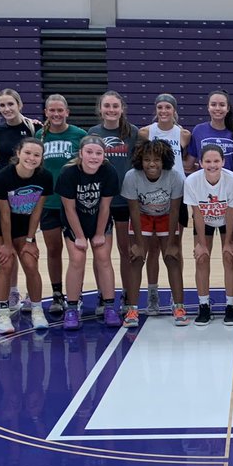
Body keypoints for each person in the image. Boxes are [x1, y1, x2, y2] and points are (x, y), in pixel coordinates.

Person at [0, 136, 54, 335]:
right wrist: (7, 245)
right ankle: (3, 312)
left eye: (36, 155)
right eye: (27, 153)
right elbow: (4, 215)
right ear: (18, 153)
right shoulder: (3, 177)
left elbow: (37, 212)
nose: (31, 158)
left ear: (41, 158)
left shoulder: (45, 177)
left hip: (24, 223)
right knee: (6, 264)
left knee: (31, 263)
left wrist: (31, 240)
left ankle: (37, 309)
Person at [57, 135, 121, 330]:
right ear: (81, 153)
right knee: (77, 259)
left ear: (104, 155)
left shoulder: (108, 171)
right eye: (89, 152)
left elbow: (105, 206)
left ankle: (109, 306)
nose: (94, 157)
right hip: (75, 221)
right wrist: (79, 236)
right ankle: (72, 308)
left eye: (98, 153)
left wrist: (99, 233)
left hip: (98, 220)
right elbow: (69, 209)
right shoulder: (68, 173)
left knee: (103, 257)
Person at [122, 139, 188, 328]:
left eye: (157, 159)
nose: (152, 164)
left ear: (164, 160)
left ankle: (179, 308)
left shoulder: (174, 177)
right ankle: (132, 309)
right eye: (147, 159)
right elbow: (134, 210)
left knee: (172, 258)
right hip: (142, 216)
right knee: (137, 258)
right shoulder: (131, 177)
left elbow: (175, 210)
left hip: (166, 216)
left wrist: (172, 243)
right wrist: (138, 243)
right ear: (139, 160)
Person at [88, 90, 140, 314]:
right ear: (100, 109)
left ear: (122, 109)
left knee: (126, 251)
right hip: (100, 201)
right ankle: (103, 294)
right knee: (101, 251)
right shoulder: (93, 133)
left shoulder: (133, 132)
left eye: (115, 106)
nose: (111, 110)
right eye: (107, 106)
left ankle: (128, 295)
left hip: (126, 201)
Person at [36, 94, 88, 316]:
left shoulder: (80, 135)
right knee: (53, 250)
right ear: (46, 112)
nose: (56, 114)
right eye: (52, 110)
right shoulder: (39, 136)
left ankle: (77, 294)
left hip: (74, 205)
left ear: (67, 112)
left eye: (60, 110)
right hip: (49, 203)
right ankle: (57, 294)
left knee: (77, 253)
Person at [184, 145, 233, 326]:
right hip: (205, 219)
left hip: (227, 220)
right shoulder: (192, 181)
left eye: (216, 161)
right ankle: (204, 306)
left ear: (223, 162)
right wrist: (201, 244)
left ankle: (231, 306)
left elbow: (231, 212)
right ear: (200, 163)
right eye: (207, 161)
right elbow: (197, 213)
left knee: (229, 257)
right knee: (201, 258)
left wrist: (229, 242)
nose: (212, 165)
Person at [186, 89, 233, 173]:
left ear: (228, 108)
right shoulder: (198, 130)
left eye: (222, 105)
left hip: (229, 180)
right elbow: (188, 164)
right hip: (204, 180)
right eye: (213, 104)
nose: (217, 108)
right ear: (208, 107)